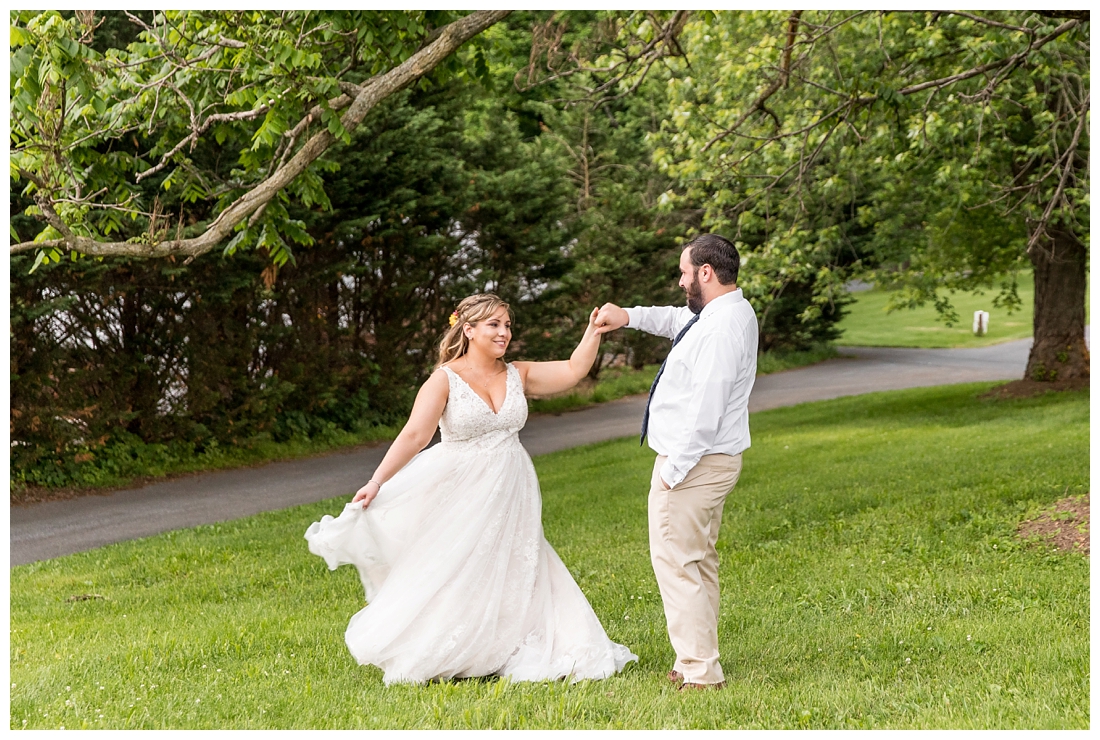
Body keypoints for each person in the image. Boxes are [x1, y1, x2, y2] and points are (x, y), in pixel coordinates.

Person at [305, 294, 637, 685]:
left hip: (512, 488)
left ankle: (509, 644)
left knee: (516, 563)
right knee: (458, 566)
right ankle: (451, 647)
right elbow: (415, 435)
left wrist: (593, 331)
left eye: (508, 325)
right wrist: (377, 481)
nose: (504, 333)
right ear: (468, 329)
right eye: (494, 324)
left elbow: (574, 369)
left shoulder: (518, 373)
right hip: (460, 489)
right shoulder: (444, 379)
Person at [595, 234, 758, 691]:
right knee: (698, 561)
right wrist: (626, 316)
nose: (681, 280)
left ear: (706, 272)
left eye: (685, 272)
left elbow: (706, 410)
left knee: (678, 565)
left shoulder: (723, 326)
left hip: (694, 465)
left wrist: (672, 471)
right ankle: (694, 659)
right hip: (708, 462)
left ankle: (701, 672)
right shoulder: (719, 313)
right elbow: (674, 320)